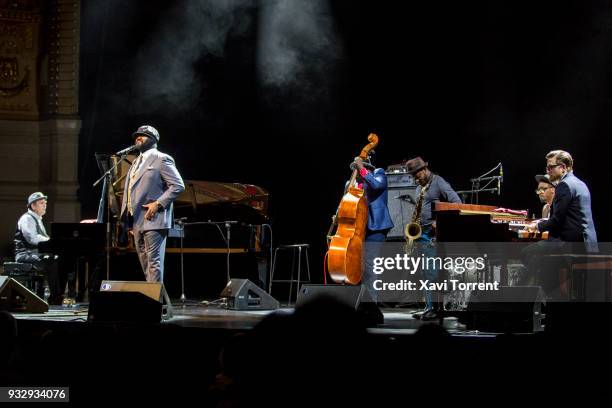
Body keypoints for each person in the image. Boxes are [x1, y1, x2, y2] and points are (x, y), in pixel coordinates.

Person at [523, 150, 597, 297]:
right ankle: (550, 292)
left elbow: (557, 221)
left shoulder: (564, 185)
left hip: (572, 244)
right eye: (547, 167)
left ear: (563, 167)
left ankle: (547, 295)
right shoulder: (580, 183)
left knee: (528, 253)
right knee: (541, 258)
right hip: (588, 243)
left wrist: (536, 226)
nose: (547, 170)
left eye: (551, 167)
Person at [120, 125, 185, 282]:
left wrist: (158, 203)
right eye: (137, 135)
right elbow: (129, 192)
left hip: (154, 219)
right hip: (136, 221)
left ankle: (154, 303)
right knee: (145, 263)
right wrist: (129, 221)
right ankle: (155, 298)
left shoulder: (161, 158)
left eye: (143, 135)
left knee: (154, 262)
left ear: (153, 140)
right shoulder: (135, 162)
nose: (138, 137)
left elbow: (178, 185)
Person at [405, 157, 461, 320]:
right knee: (424, 273)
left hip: (433, 235)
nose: (415, 179)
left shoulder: (439, 182)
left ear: (424, 169)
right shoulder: (420, 187)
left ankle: (435, 309)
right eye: (413, 176)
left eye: (417, 175)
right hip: (420, 234)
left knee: (432, 272)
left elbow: (457, 203)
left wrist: (440, 221)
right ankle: (429, 306)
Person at [14, 192, 65, 304]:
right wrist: (50, 240)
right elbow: (31, 238)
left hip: (33, 253)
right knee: (50, 261)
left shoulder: (37, 219)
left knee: (58, 259)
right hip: (24, 254)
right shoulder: (27, 218)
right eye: (41, 203)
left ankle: (58, 295)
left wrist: (51, 242)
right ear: (33, 206)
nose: (45, 205)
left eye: (45, 203)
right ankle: (55, 297)